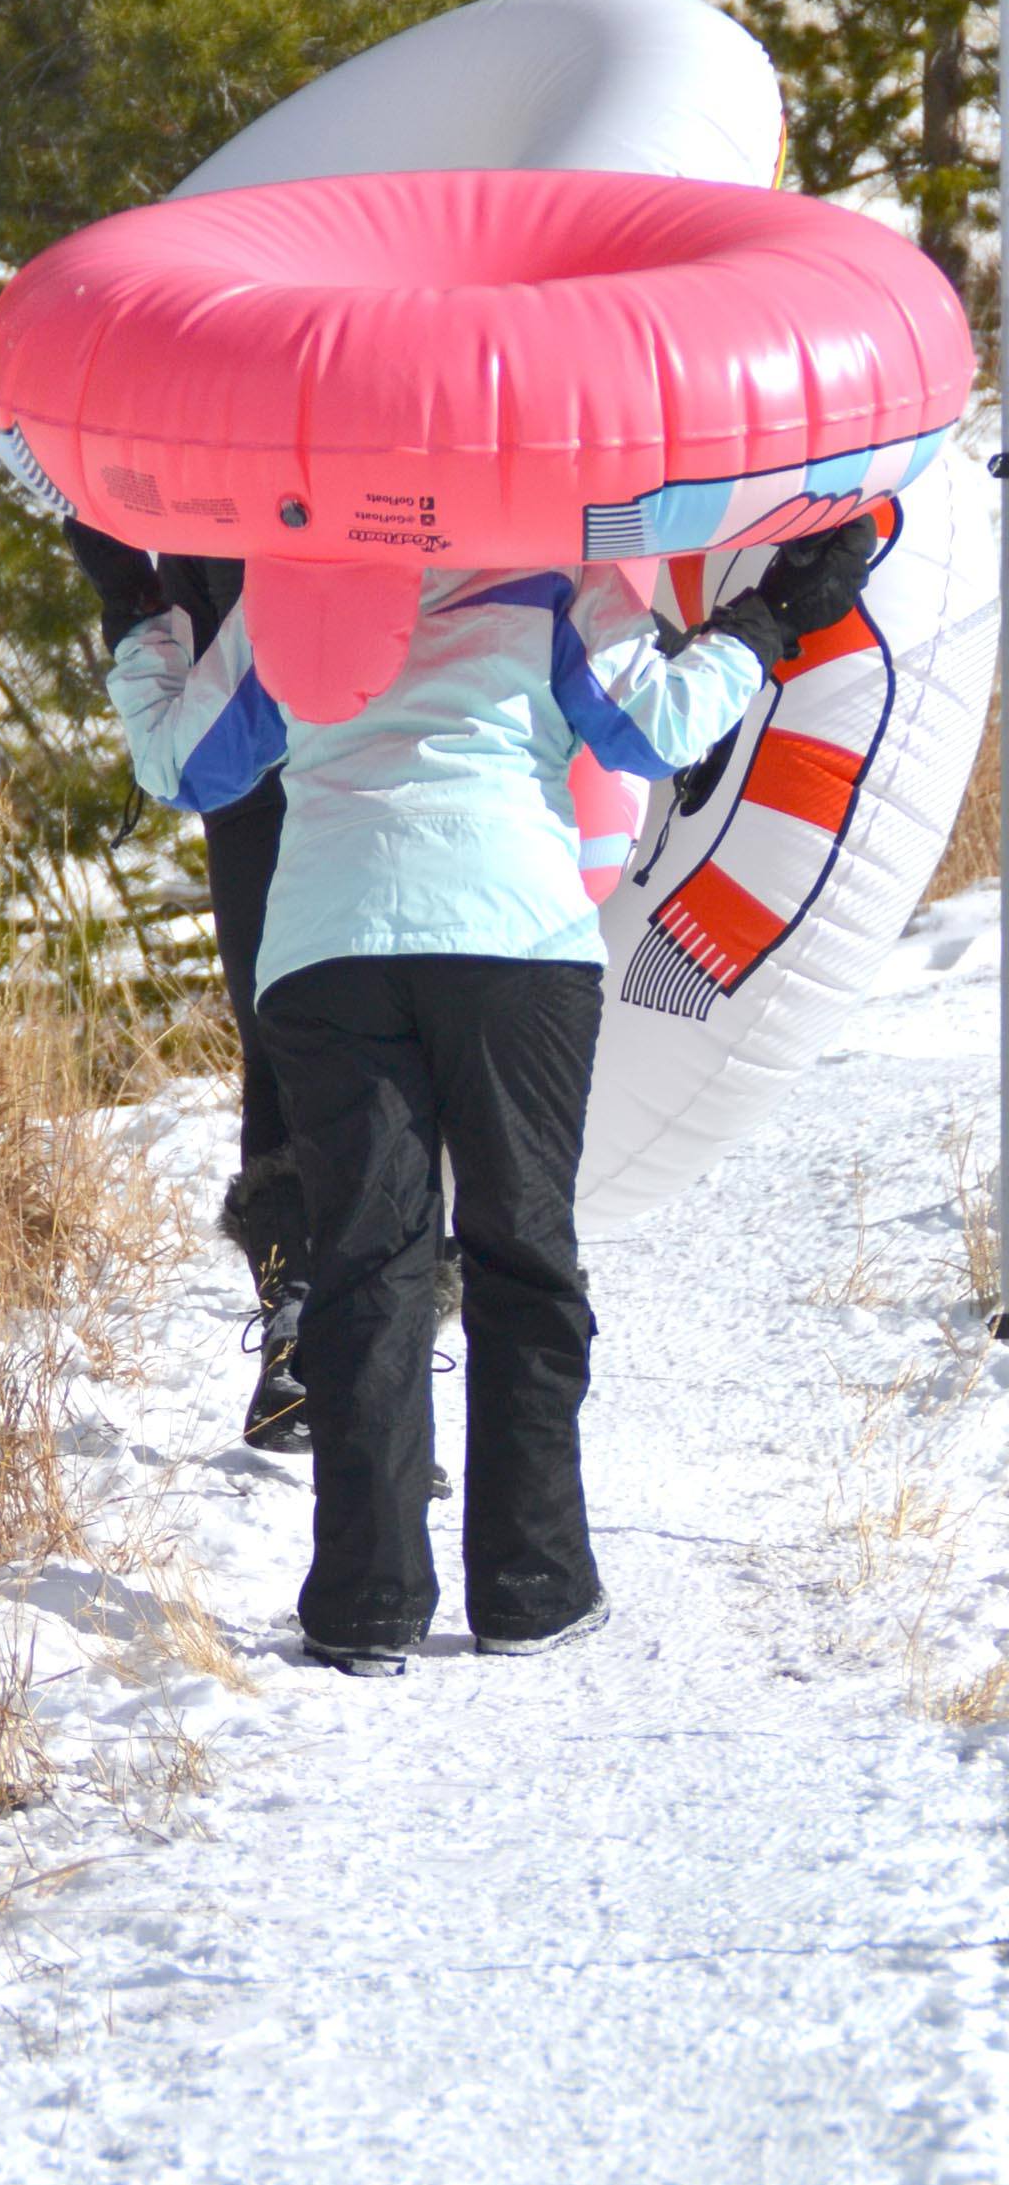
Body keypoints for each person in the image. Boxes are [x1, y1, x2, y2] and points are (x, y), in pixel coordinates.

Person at [78, 511, 876, 1673]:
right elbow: (656, 732)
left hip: (330, 942)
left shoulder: (297, 580)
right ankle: (533, 1584)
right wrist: (770, 619)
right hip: (515, 936)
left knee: (365, 1264)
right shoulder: (556, 560)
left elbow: (182, 766)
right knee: (522, 1250)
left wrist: (134, 603)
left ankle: (364, 1599)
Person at [64, 529, 313, 1454]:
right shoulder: (213, 416)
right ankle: (294, 1326)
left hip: (388, 767)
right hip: (250, 764)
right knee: (285, 1053)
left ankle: (385, 1372)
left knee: (390, 1061)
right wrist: (131, 597)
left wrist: (130, 602)